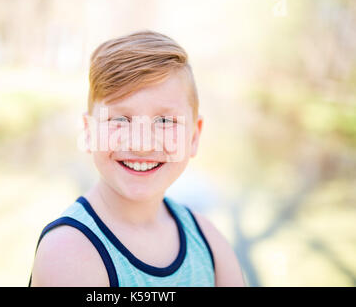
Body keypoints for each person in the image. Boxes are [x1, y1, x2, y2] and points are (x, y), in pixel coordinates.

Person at [29, 30, 245, 287]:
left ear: (194, 137)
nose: (142, 144)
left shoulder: (210, 245)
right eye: (119, 119)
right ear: (88, 132)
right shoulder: (69, 253)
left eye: (165, 121)